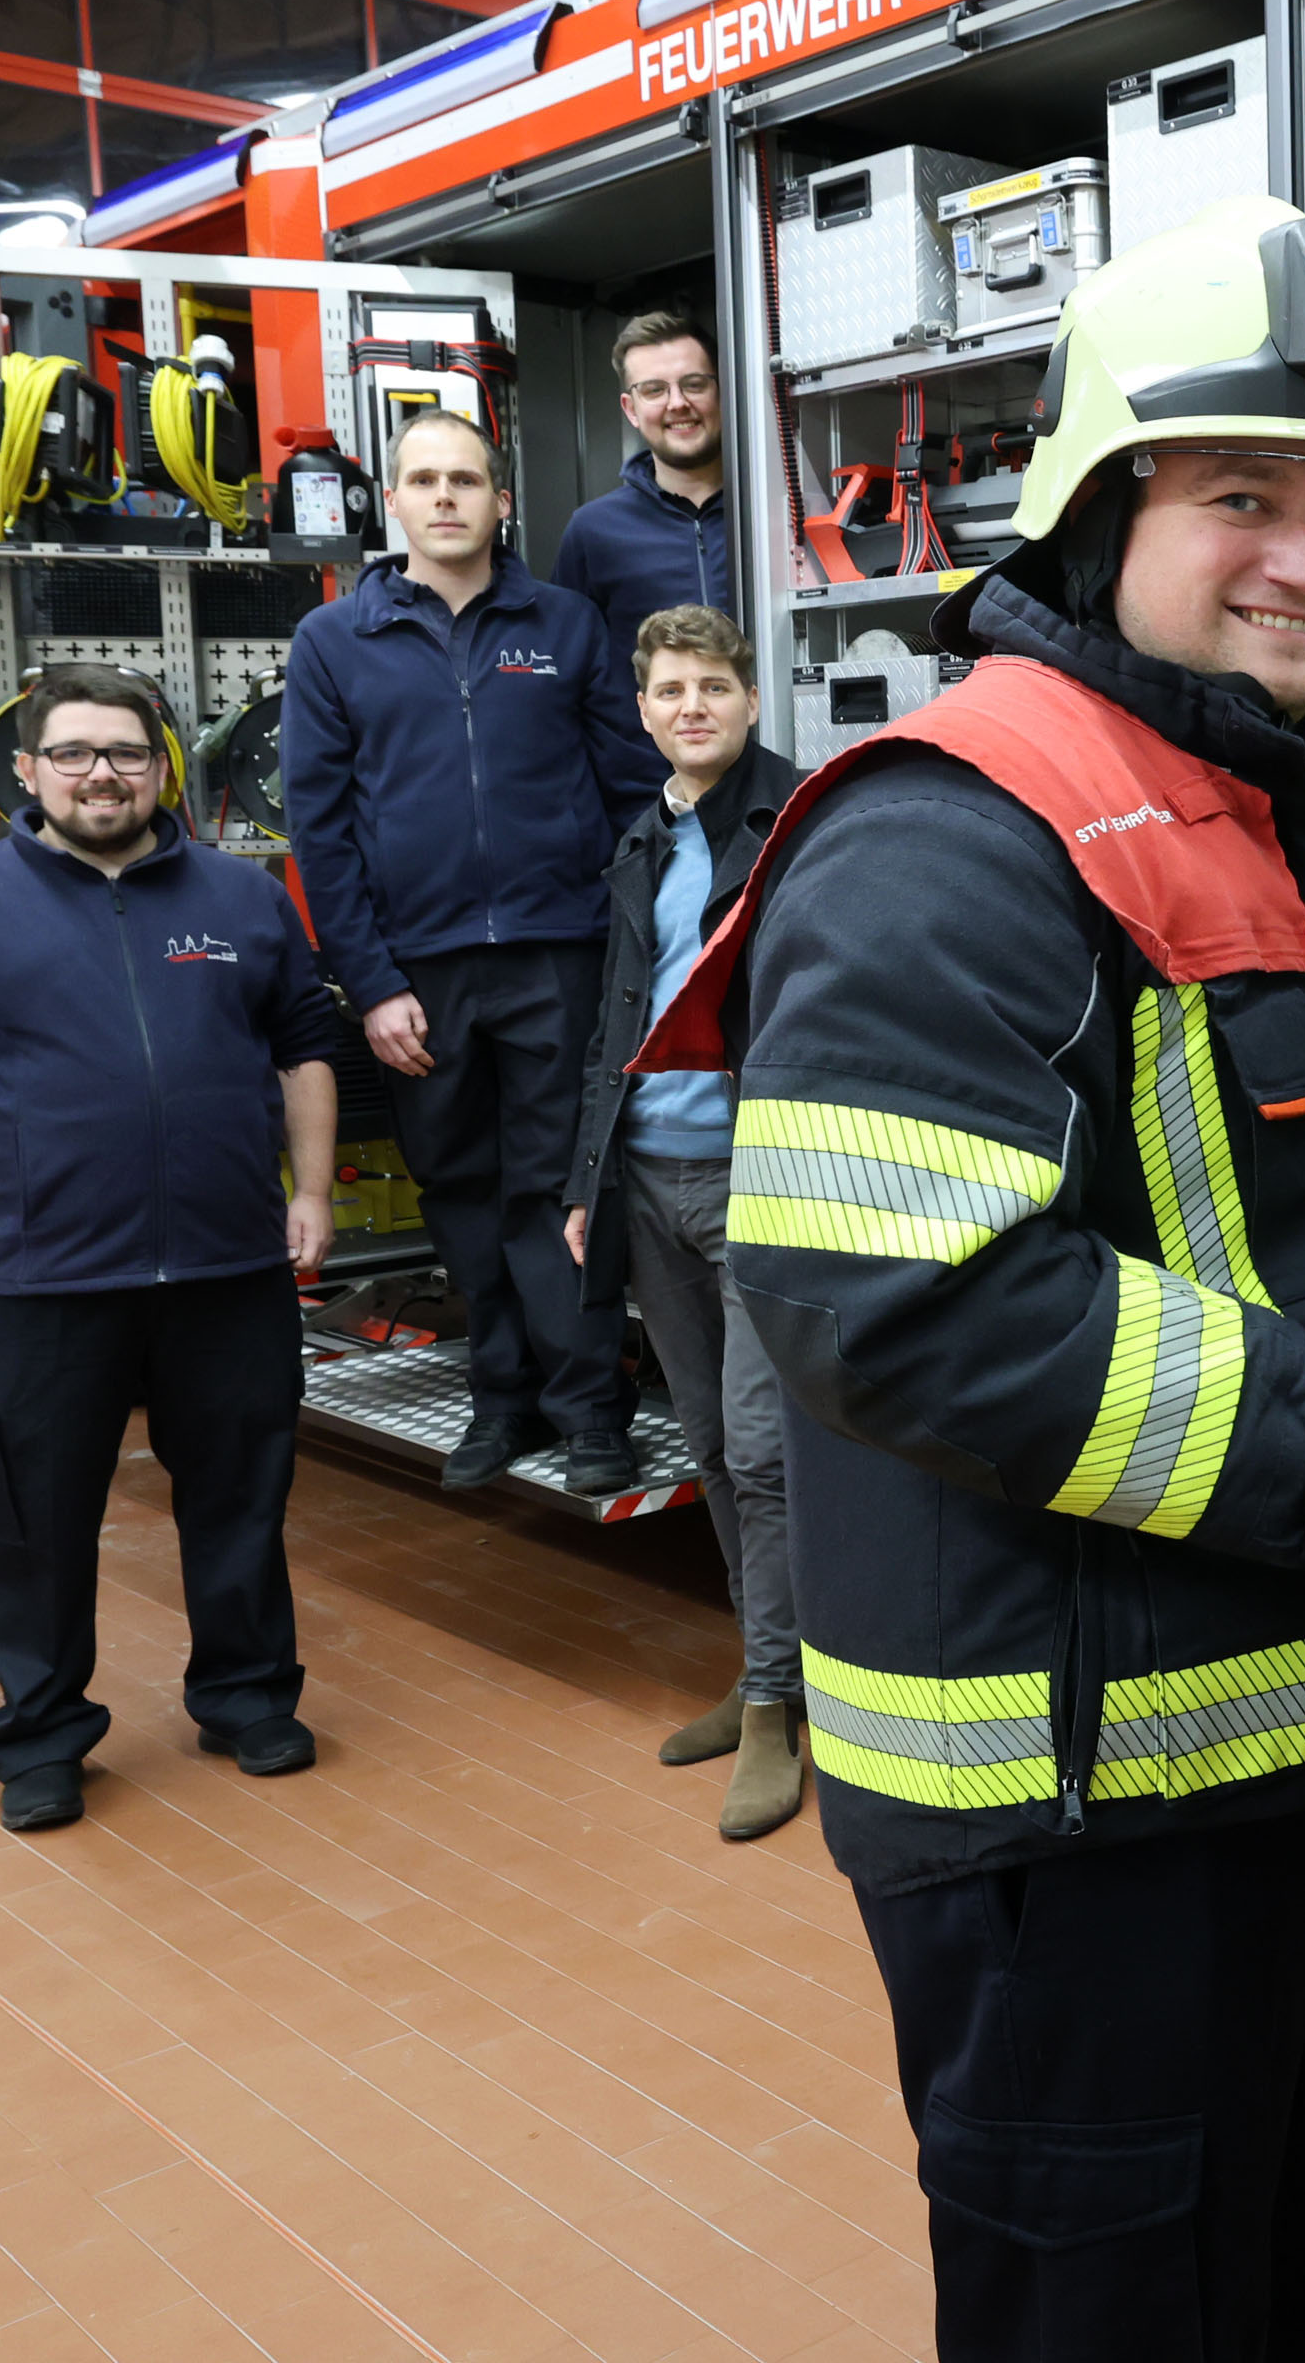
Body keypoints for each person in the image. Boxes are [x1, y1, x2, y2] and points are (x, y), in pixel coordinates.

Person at [638, 199, 1305, 2361]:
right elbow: (905, 1290)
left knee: (1302, 2284)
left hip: (1294, 1758)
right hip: (1076, 1833)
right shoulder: (956, 827)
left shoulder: (1261, 805)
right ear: (1097, 508)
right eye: (1241, 493)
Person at [0, 662, 344, 1833]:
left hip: (228, 1269)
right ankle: (39, 1735)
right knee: (37, 1520)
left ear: (161, 765)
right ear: (25, 772)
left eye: (124, 752)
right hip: (36, 1279)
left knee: (241, 1498)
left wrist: (312, 1188)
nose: (101, 774)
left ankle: (246, 1695)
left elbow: (305, 1043)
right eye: (71, 753)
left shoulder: (240, 895)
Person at [281, 408, 662, 1492]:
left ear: (502, 501)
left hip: (558, 956)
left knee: (563, 1190)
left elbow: (632, 792)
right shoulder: (333, 644)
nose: (446, 497)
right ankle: (502, 1402)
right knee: (460, 1188)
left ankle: (592, 1411)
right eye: (424, 480)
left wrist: (629, 937)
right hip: (420, 972)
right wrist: (373, 983)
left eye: (466, 480)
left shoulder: (568, 624)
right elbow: (323, 829)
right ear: (393, 502)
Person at [563, 604, 808, 1838]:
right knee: (710, 1445)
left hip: (763, 1176)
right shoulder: (639, 839)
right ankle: (771, 1669)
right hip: (648, 1178)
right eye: (669, 690)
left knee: (766, 1454)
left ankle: (775, 1702)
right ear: (644, 708)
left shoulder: (802, 821)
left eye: (713, 686)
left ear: (749, 701)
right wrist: (580, 1180)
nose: (691, 707)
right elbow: (618, 1014)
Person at [551, 313, 734, 661]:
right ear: (631, 409)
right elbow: (567, 665)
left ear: (721, 390)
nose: (678, 402)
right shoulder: (593, 531)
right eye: (654, 390)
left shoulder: (773, 509)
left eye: (694, 384)